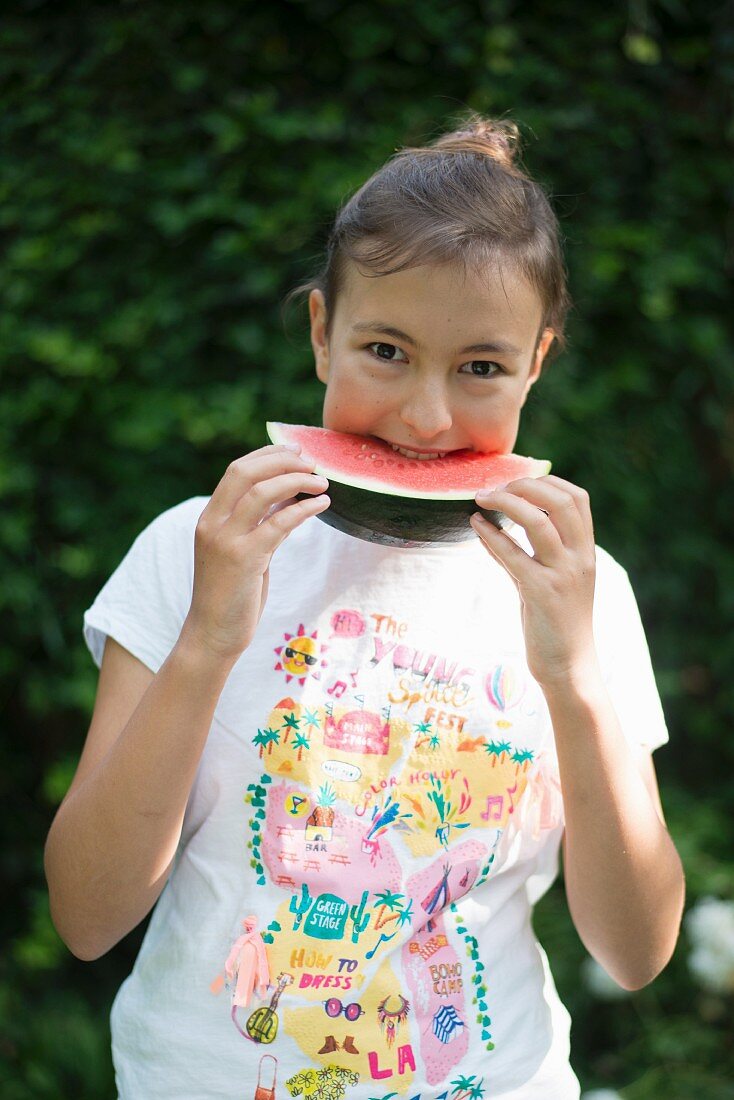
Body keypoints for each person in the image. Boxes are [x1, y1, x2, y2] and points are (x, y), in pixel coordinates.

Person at [44, 113, 685, 1099]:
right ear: (319, 332)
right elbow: (86, 915)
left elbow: (636, 952)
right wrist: (212, 636)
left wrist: (573, 675)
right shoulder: (190, 550)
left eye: (479, 367)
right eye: (384, 349)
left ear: (537, 362)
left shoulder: (580, 586)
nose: (426, 415)